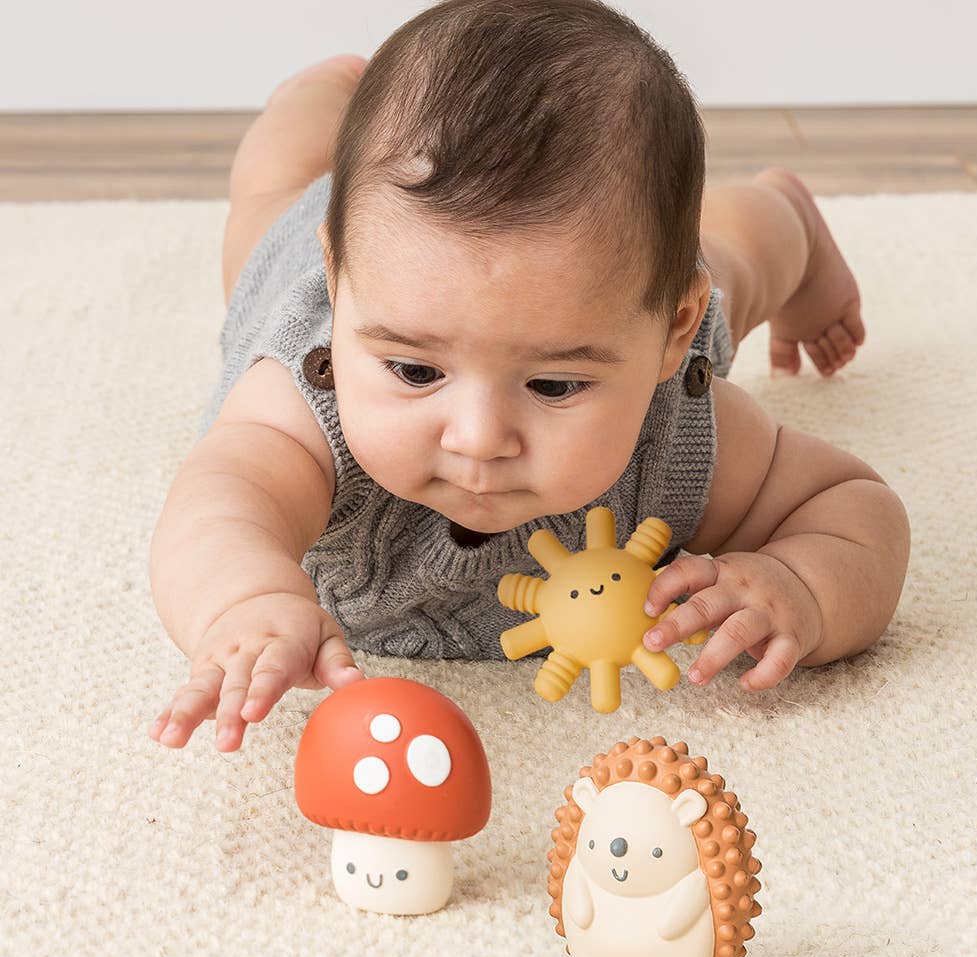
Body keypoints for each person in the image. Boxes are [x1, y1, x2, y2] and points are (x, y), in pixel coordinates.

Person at [148, 0, 910, 752]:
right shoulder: (302, 404)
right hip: (354, 256)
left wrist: (798, 585)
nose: (479, 439)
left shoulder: (678, 434)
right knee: (270, 194)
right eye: (415, 370)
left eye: (553, 386)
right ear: (341, 287)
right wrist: (247, 601)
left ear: (670, 334)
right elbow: (218, 505)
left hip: (614, 298)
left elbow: (853, 506)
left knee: (736, 255)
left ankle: (787, 212)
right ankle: (321, 95)